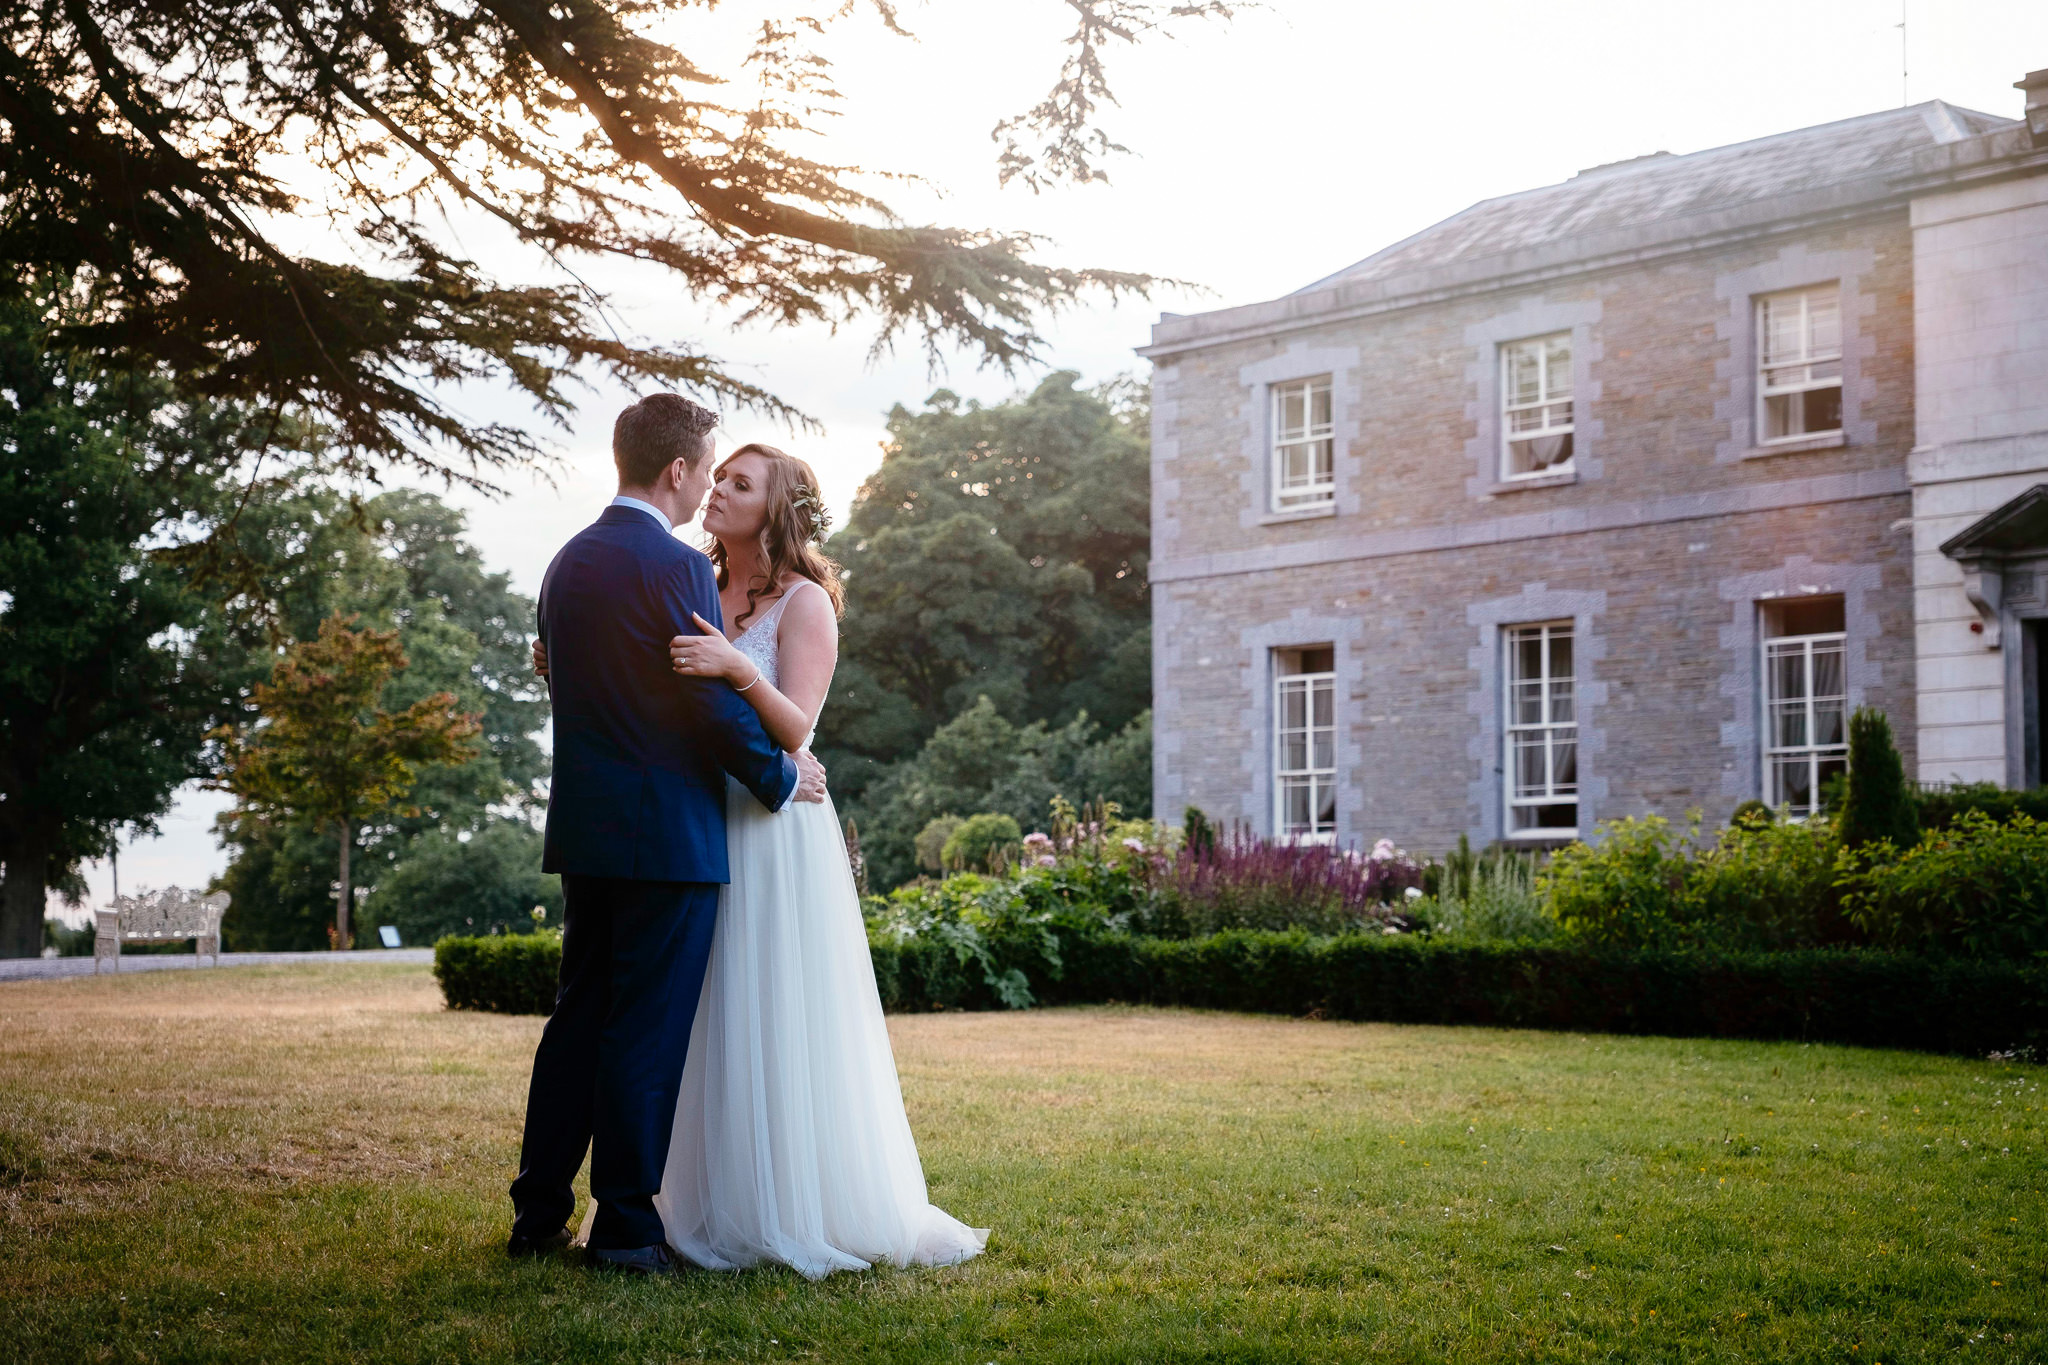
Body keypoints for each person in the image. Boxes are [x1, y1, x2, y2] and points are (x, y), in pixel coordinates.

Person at [537, 441, 987, 1279]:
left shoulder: (806, 601)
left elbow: (798, 730)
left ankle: (777, 1201)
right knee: (695, 1020)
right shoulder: (694, 581)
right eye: (718, 476)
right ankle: (684, 1199)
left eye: (738, 484)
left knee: (768, 1007)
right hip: (697, 817)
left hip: (776, 823)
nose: (715, 490)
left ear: (775, 508)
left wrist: (740, 667)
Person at [508, 397, 827, 1275]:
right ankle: (624, 1228)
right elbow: (701, 702)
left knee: (575, 1024)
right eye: (711, 468)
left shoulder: (565, 563)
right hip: (670, 838)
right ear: (679, 471)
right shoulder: (676, 568)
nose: (712, 486)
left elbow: (569, 684)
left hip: (585, 830)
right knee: (643, 1035)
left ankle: (537, 1212)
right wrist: (779, 775)